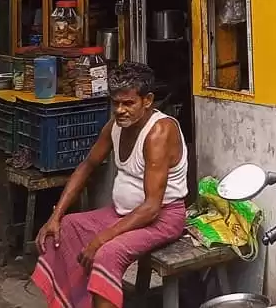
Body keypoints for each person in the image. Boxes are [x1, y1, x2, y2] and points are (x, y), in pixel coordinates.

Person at [32, 62, 188, 308]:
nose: (120, 110)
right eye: (115, 103)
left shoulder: (159, 132)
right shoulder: (114, 126)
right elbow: (87, 165)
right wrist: (56, 215)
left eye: (128, 103)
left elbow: (151, 208)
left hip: (162, 219)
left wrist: (100, 239)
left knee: (107, 253)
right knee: (66, 228)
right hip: (121, 213)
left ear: (147, 100)